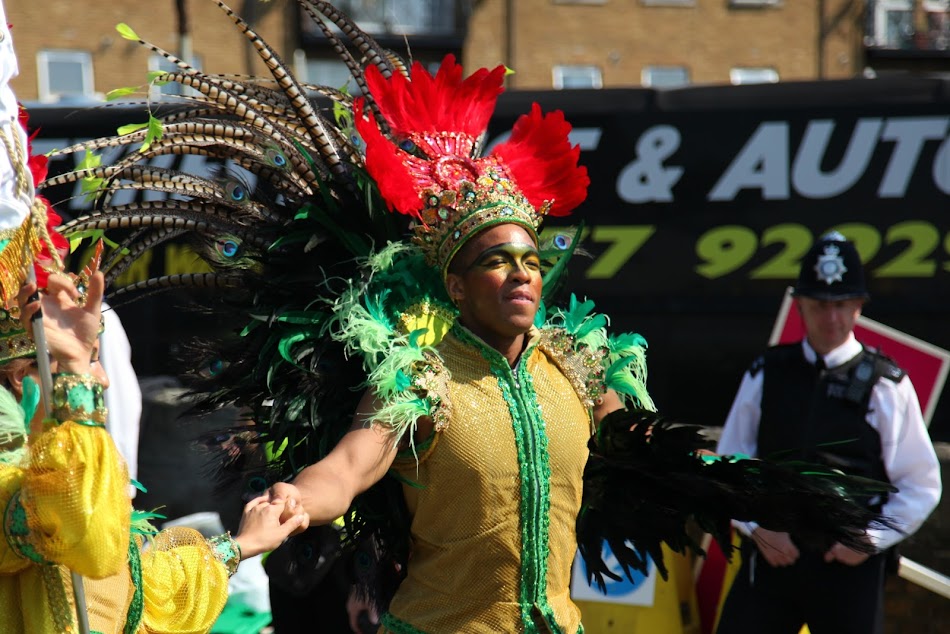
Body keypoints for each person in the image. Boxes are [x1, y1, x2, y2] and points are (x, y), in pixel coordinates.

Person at [41, 4, 903, 632]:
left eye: (531, 259)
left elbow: (643, 448)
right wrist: (295, 499)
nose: (522, 273)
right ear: (455, 286)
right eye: (497, 260)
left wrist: (738, 482)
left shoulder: (580, 364)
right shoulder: (420, 376)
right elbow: (350, 466)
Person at [0, 268, 310, 633]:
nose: (101, 379)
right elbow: (90, 539)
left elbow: (138, 592)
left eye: (93, 359)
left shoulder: (70, 476)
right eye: (87, 360)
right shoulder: (17, 489)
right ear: (21, 376)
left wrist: (241, 546)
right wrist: (75, 372)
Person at [715, 232, 942, 634]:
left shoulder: (885, 384)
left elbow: (921, 483)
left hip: (848, 566)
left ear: (859, 307)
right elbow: (730, 461)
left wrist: (869, 540)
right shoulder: (767, 372)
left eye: (842, 305)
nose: (831, 318)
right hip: (772, 556)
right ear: (800, 304)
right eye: (820, 305)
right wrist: (758, 528)